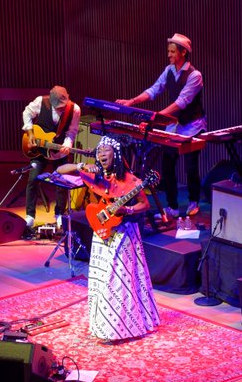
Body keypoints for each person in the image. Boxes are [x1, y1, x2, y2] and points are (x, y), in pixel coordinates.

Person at [62, 136, 160, 343]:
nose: (101, 154)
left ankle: (126, 327)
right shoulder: (96, 176)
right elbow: (59, 171)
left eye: (105, 150)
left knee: (119, 279)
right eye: (98, 151)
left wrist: (129, 209)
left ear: (115, 154)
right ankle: (104, 326)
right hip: (101, 231)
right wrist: (81, 164)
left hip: (124, 233)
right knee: (101, 278)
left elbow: (146, 205)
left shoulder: (131, 180)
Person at [117, 33, 205, 219]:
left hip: (192, 126)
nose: (169, 55)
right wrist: (132, 101)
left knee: (191, 167)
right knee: (167, 165)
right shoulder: (169, 70)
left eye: (172, 51)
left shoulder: (195, 76)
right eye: (169, 51)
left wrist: (155, 118)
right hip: (174, 124)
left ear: (183, 52)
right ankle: (172, 206)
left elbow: (182, 102)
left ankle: (193, 201)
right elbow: (154, 90)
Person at [21, 85, 82, 231]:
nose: (61, 109)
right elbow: (27, 113)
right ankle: (30, 216)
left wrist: (67, 145)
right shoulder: (41, 101)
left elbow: (71, 132)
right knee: (32, 180)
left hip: (59, 151)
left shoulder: (74, 109)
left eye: (62, 106)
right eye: (58, 107)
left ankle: (60, 214)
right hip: (39, 150)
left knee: (61, 182)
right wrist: (30, 134)